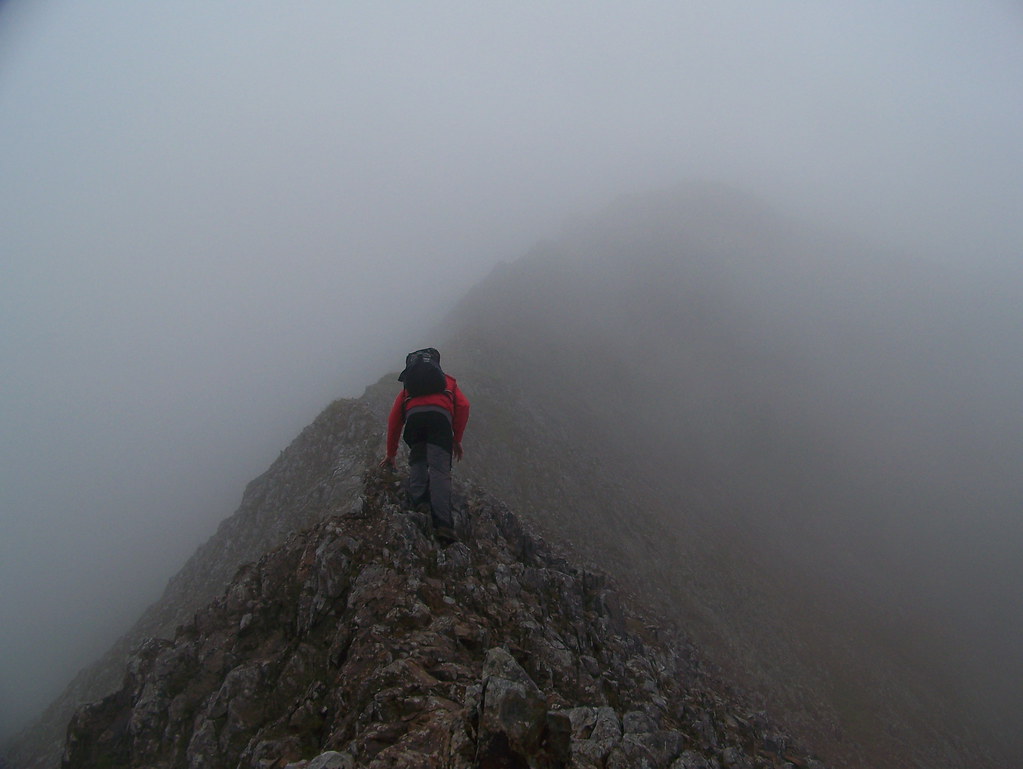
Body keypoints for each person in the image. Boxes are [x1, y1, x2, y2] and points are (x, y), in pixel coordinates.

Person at [381, 348, 470, 542]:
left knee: (418, 461)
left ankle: (420, 502)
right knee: (439, 470)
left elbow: (394, 420)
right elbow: (464, 406)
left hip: (415, 420)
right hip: (440, 421)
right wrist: (456, 439)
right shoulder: (449, 382)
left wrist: (391, 453)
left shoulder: (407, 389)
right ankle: (443, 525)